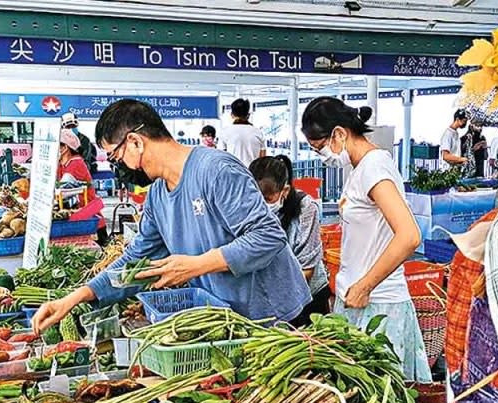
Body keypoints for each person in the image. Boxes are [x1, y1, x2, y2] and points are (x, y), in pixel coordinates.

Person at [32, 99, 310, 332]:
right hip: (226, 318)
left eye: (115, 158)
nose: (119, 168)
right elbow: (136, 261)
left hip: (273, 316)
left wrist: (197, 265)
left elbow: (268, 236)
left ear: (135, 142)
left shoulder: (216, 170)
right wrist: (76, 297)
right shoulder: (157, 197)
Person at [301, 96, 431, 382]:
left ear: (339, 133)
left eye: (320, 148)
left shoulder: (374, 167)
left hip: (379, 306)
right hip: (358, 301)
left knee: (381, 398)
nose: (324, 156)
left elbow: (409, 235)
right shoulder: (360, 169)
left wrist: (365, 285)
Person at [250, 155, 329, 325]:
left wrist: (276, 298)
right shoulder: (249, 210)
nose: (262, 205)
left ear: (284, 191)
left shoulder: (306, 208)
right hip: (269, 297)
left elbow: (307, 268)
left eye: (268, 199)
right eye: (256, 199)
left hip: (307, 295)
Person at [59, 130, 108, 245]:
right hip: (80, 220)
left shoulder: (76, 164)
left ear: (64, 148)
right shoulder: (62, 164)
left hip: (91, 222)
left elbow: (61, 191)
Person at [219, 98, 266, 167]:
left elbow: (222, 158)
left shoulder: (225, 132)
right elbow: (263, 159)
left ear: (232, 115)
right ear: (248, 115)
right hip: (252, 173)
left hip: (233, 172)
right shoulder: (258, 132)